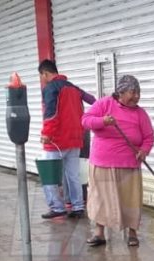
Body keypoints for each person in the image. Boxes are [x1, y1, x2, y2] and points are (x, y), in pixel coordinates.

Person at [81, 75, 154, 248]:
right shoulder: (104, 104)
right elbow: (85, 121)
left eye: (138, 92)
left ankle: (132, 233)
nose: (136, 96)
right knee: (101, 198)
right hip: (102, 162)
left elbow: (149, 137)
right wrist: (103, 121)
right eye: (132, 92)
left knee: (130, 199)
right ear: (120, 92)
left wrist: (144, 150)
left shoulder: (140, 113)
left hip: (129, 163)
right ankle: (99, 233)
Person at [39, 59, 95, 219]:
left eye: (42, 76)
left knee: (49, 174)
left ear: (45, 73)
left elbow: (51, 113)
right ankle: (77, 206)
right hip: (76, 138)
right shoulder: (73, 87)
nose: (42, 80)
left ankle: (57, 207)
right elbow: (91, 100)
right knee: (73, 174)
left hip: (56, 140)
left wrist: (46, 134)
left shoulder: (51, 88)